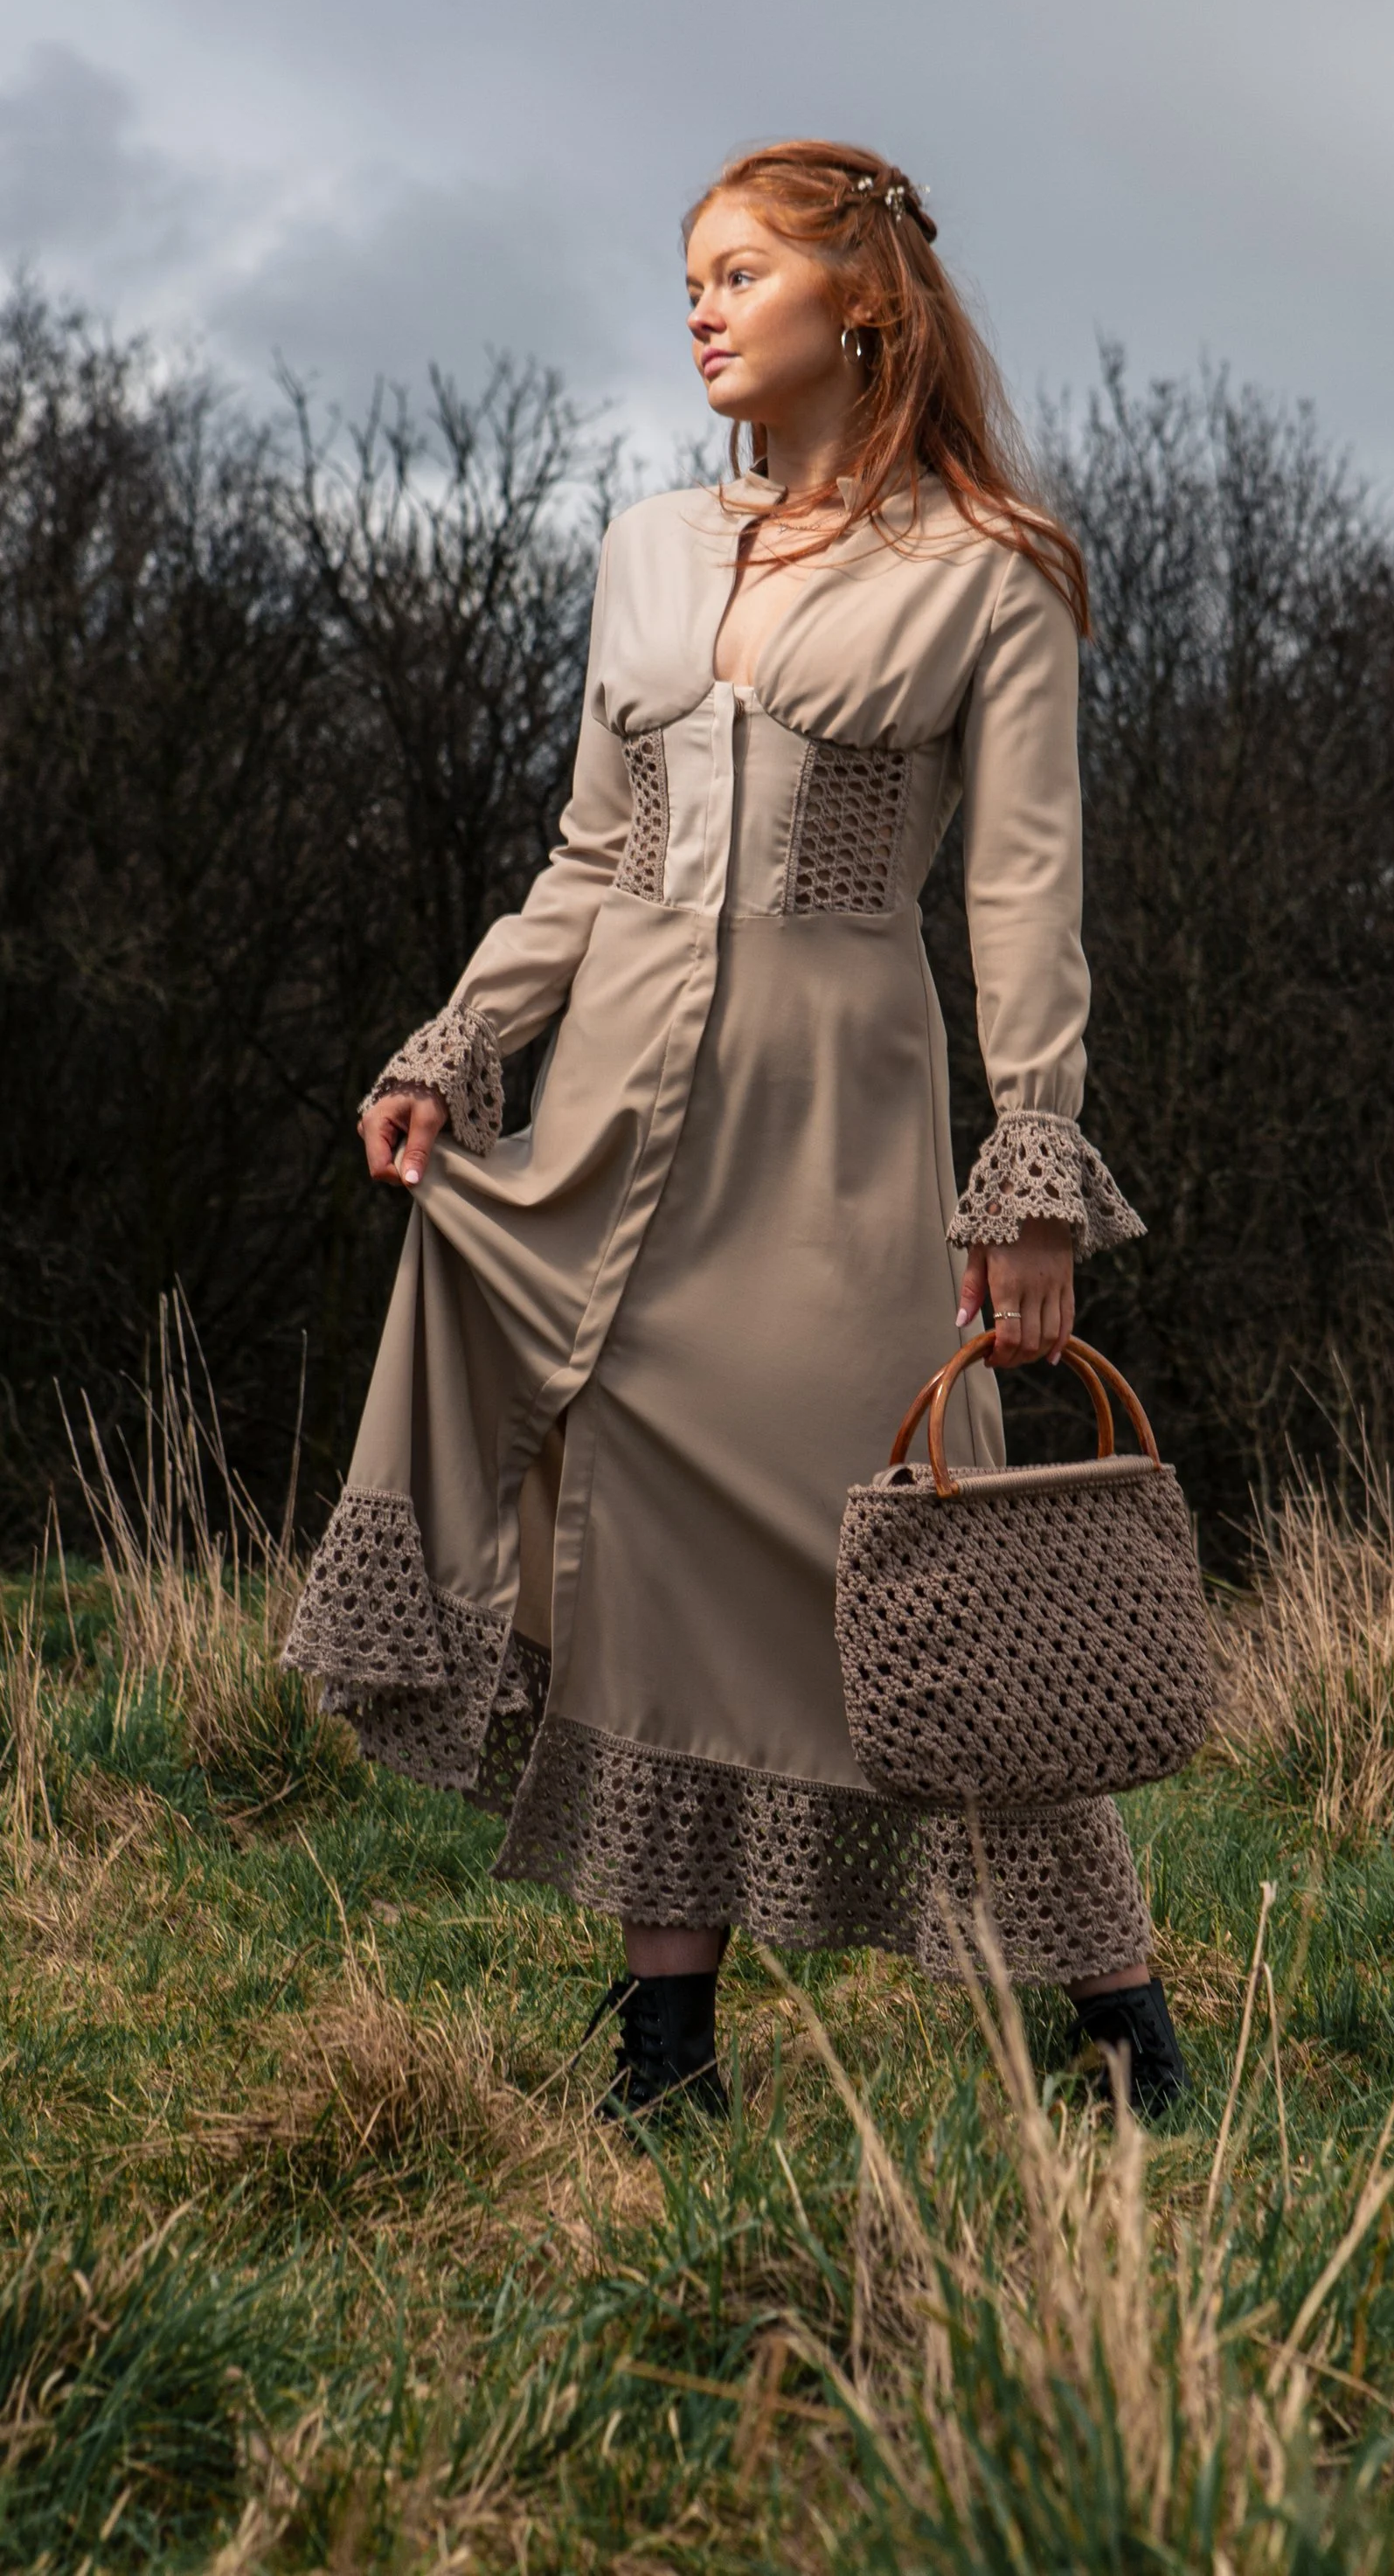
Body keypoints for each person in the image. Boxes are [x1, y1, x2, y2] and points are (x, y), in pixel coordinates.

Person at [284, 139, 1188, 2122]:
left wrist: (1026, 1170)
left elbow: (1022, 896)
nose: (695, 306)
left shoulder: (989, 575)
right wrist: (457, 1042)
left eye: (734, 273)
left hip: (832, 1133)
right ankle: (666, 2053)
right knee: (636, 1566)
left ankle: (1118, 2015)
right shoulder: (644, 551)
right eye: (686, 276)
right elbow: (590, 857)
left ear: (853, 304)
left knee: (911, 1551)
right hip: (613, 1131)